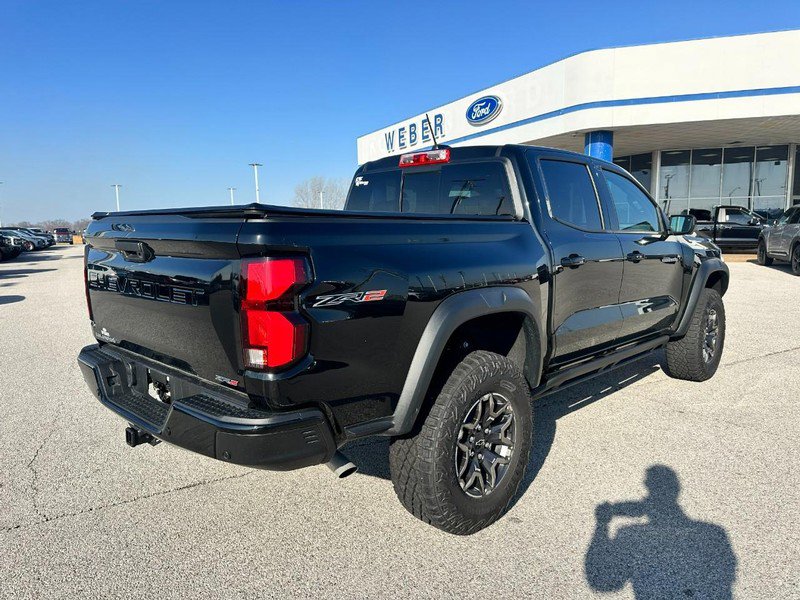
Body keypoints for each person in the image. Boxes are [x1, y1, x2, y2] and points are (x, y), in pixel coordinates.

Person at [585, 465, 736, 599]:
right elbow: (722, 586)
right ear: (676, 490)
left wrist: (602, 525)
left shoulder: (633, 537)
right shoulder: (711, 535)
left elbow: (602, 582)